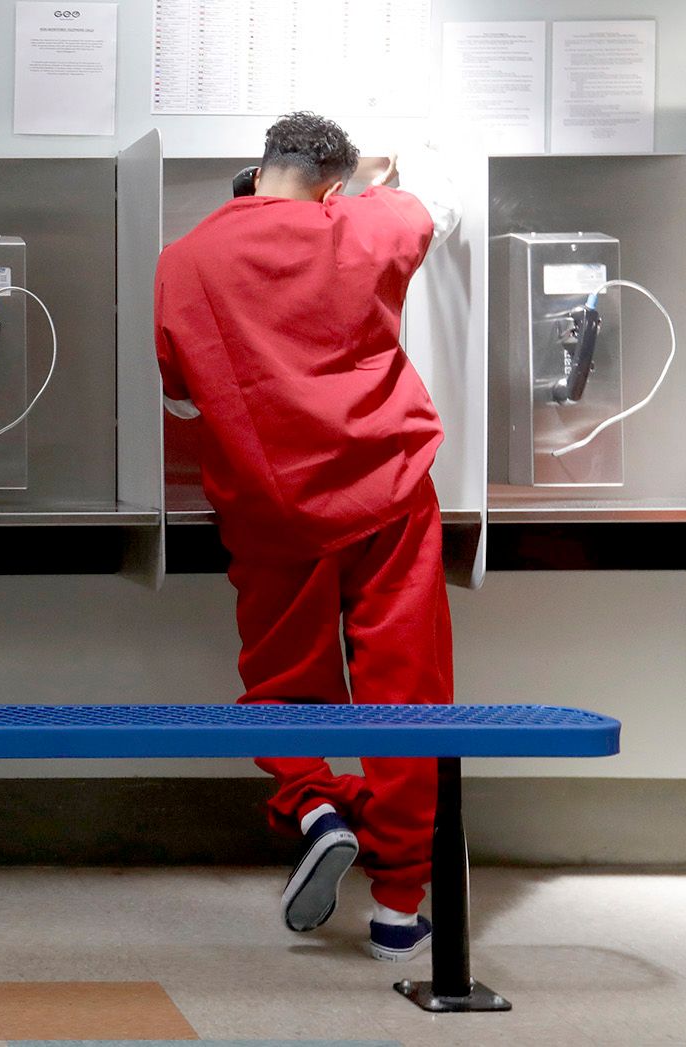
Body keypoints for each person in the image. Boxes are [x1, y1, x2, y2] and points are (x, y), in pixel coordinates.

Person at [154, 113, 460, 962]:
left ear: (256, 174)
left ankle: (314, 803)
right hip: (388, 494)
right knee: (406, 692)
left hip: (268, 502)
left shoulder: (185, 259)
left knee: (283, 679)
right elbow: (417, 211)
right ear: (333, 187)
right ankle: (400, 907)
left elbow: (179, 388)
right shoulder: (365, 222)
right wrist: (376, 181)